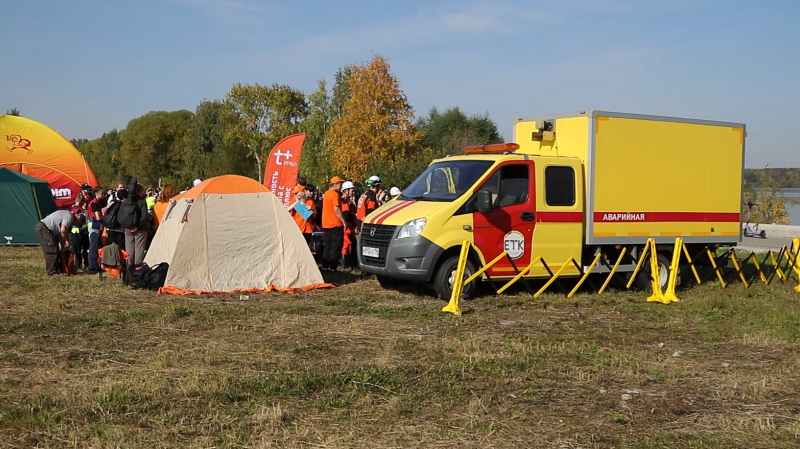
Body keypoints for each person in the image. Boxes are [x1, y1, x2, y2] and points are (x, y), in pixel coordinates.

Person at [35, 209, 84, 275]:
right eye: (79, 224)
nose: (77, 225)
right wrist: (67, 241)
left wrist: (63, 243)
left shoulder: (67, 215)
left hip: (47, 229)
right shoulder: (69, 217)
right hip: (44, 228)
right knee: (52, 250)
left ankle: (58, 269)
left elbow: (60, 231)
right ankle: (52, 272)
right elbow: (63, 230)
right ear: (78, 219)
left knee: (56, 249)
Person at [320, 176, 347, 272]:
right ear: (335, 184)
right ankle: (333, 267)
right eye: (340, 184)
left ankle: (324, 266)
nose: (341, 186)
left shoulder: (326, 193)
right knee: (336, 246)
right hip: (335, 223)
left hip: (326, 223)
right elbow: (336, 209)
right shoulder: (335, 194)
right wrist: (343, 221)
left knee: (327, 246)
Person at [124, 180, 149, 266]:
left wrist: (126, 226)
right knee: (139, 251)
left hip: (127, 229)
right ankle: (138, 271)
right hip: (140, 229)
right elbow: (144, 216)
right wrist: (138, 226)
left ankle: (129, 270)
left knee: (129, 251)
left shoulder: (127, 201)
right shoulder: (142, 202)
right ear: (140, 191)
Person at [86, 187, 107, 273]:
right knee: (93, 246)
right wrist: (105, 217)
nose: (103, 195)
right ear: (96, 194)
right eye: (102, 193)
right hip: (94, 226)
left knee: (94, 246)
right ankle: (92, 266)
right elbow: (98, 216)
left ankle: (94, 264)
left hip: (94, 226)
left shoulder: (96, 203)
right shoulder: (94, 203)